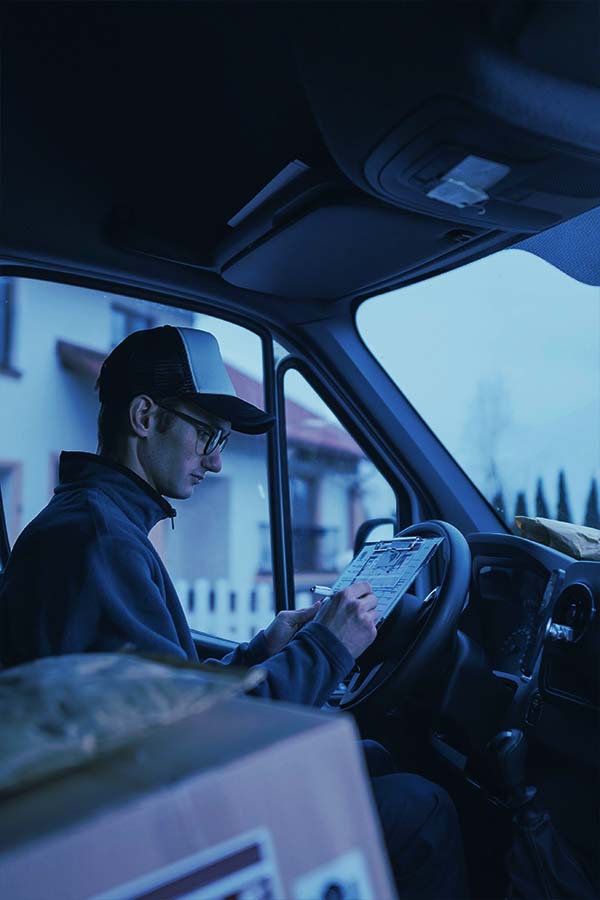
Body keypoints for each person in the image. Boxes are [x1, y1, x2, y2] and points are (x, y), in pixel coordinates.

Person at [0, 324, 468, 898]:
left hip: (122, 787)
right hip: (144, 825)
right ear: (144, 418)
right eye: (207, 435)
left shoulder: (96, 521)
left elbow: (150, 700)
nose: (215, 463)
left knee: (368, 754)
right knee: (425, 808)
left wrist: (260, 652)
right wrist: (328, 647)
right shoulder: (103, 540)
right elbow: (190, 741)